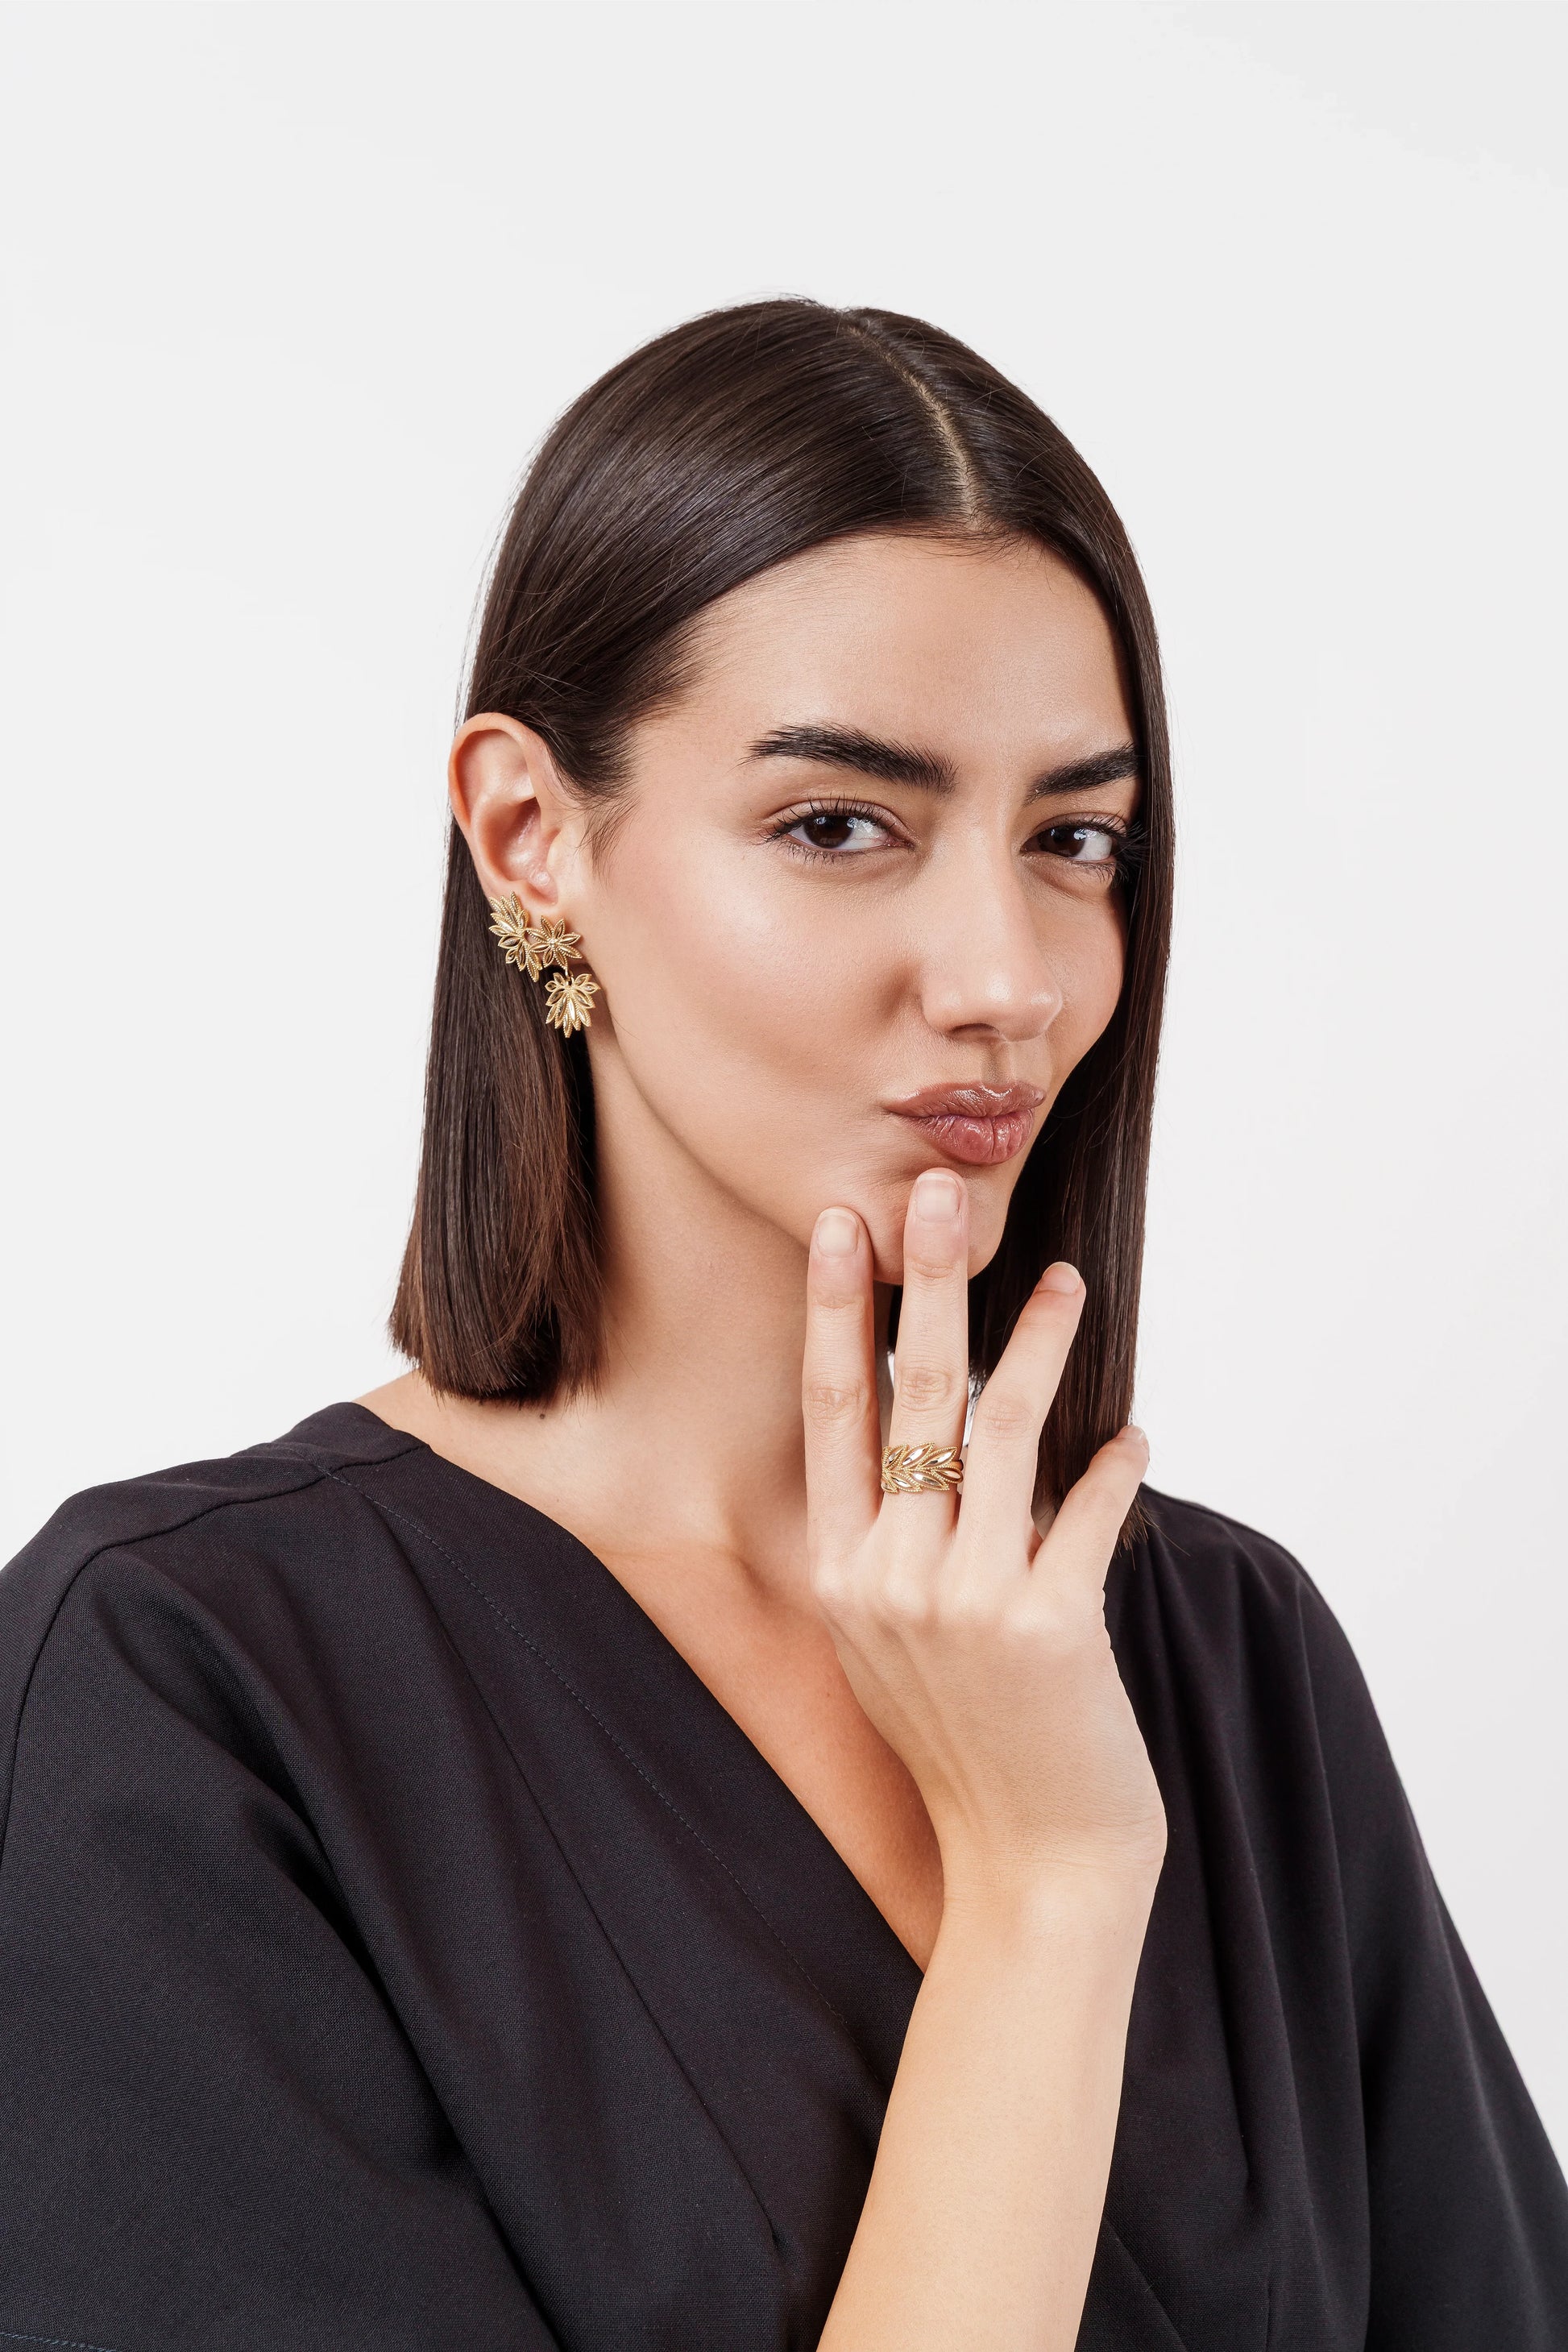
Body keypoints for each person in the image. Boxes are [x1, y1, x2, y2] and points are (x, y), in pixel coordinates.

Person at [1, 299, 1563, 2352]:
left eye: (1073, 837)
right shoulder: (184, 1687)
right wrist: (1046, 1887)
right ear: (529, 837)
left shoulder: (1225, 1651)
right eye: (843, 824)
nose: (1005, 970)